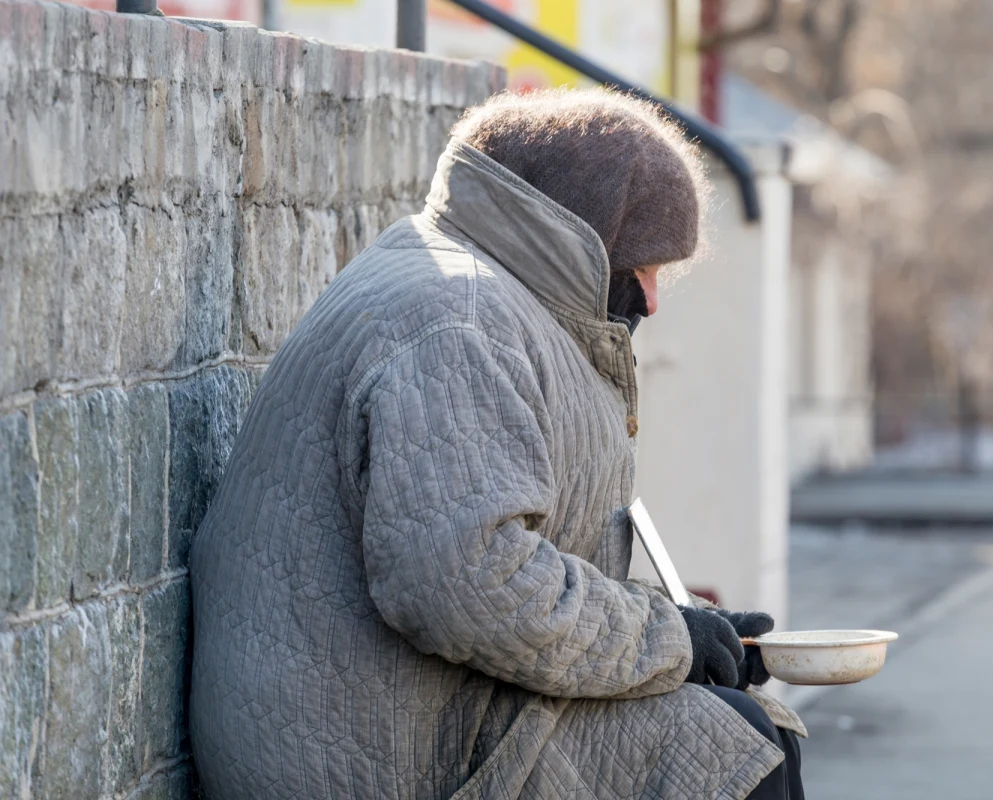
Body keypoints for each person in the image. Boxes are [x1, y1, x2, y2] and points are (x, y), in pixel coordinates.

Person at [189, 88, 806, 800]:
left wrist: (688, 634)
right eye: (644, 265)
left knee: (747, 730)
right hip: (372, 759)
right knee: (734, 756)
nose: (653, 298)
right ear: (576, 231)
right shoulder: (462, 321)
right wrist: (669, 644)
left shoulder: (478, 289)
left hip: (419, 714)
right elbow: (467, 583)